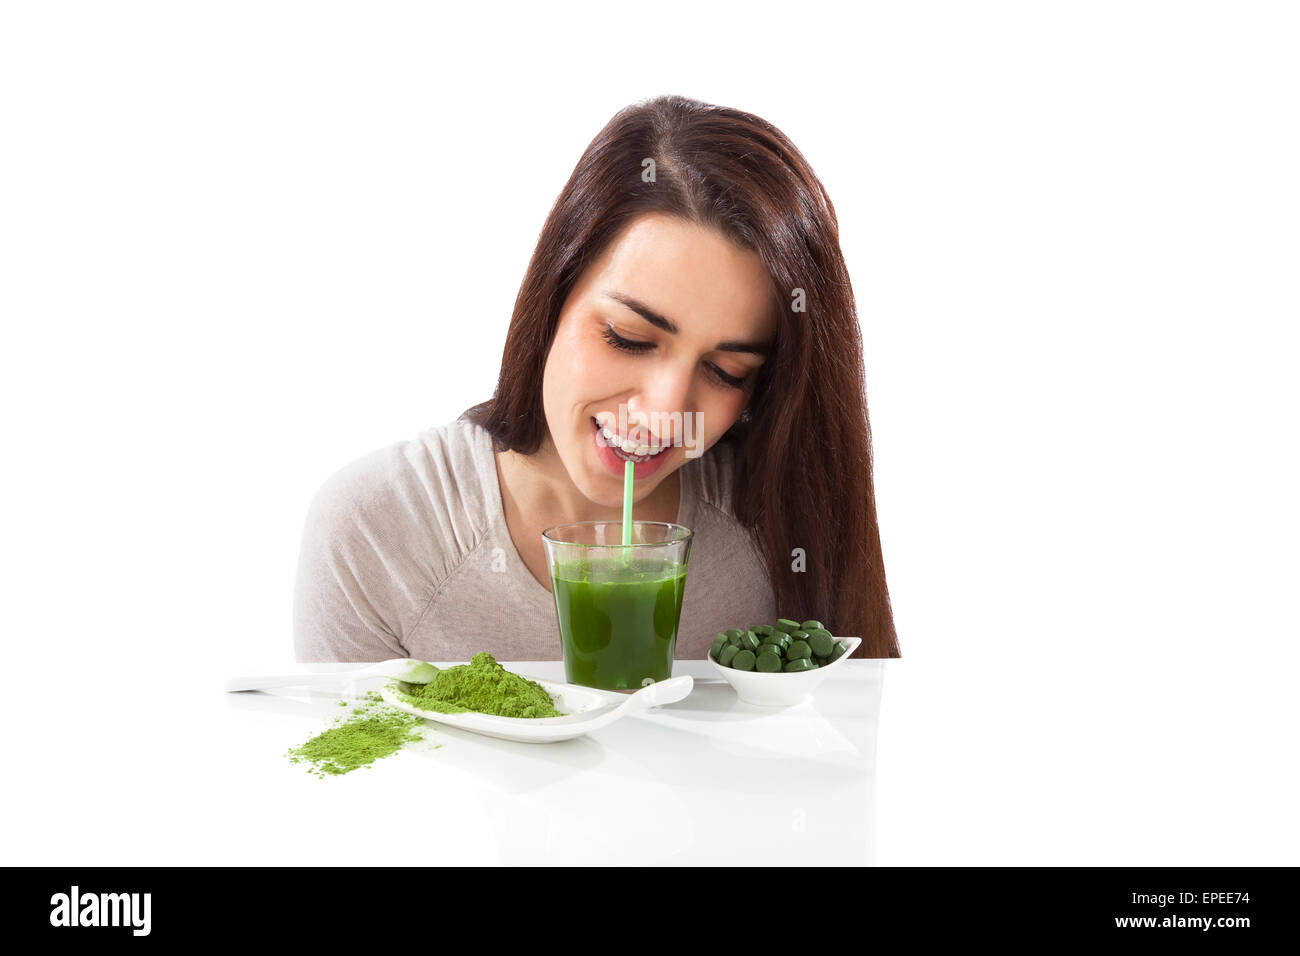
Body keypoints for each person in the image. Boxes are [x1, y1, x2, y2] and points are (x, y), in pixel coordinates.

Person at [294, 94, 900, 662]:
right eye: (628, 338)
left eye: (725, 370)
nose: (666, 411)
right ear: (553, 296)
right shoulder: (376, 531)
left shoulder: (775, 515)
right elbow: (357, 763)